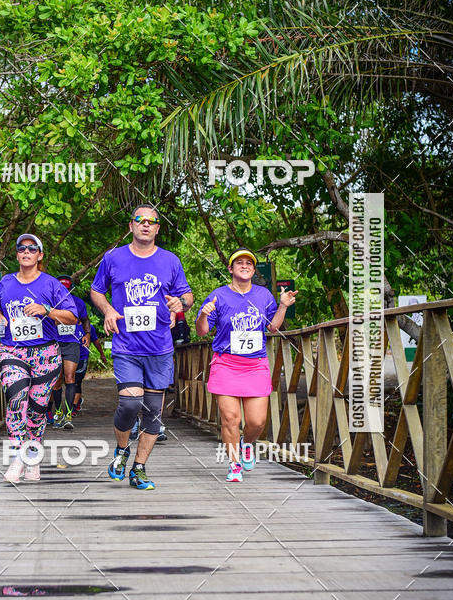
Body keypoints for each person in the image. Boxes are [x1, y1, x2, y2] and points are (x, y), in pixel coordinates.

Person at [90, 204, 193, 490]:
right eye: (140, 220)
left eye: (152, 221)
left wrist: (180, 303)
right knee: (129, 403)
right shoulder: (114, 258)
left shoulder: (170, 261)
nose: (146, 225)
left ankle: (139, 468)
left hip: (160, 348)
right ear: (131, 226)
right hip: (127, 346)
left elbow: (187, 294)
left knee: (153, 413)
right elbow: (96, 290)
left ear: (158, 228)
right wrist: (108, 310)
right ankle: (122, 450)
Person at [196, 248, 298, 483]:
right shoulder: (218, 295)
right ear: (231, 269)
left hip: (255, 364)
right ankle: (234, 465)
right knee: (230, 418)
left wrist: (282, 306)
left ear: (253, 270)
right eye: (239, 262)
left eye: (249, 263)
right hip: (226, 363)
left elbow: (273, 328)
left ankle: (248, 443)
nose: (244, 266)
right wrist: (203, 314)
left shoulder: (263, 295)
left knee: (257, 421)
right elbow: (202, 331)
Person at [0, 234, 78, 482]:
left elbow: (71, 317)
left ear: (39, 255)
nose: (26, 251)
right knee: (16, 399)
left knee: (37, 411)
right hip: (12, 349)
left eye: (32, 248)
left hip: (45, 353)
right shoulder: (6, 282)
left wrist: (47, 310)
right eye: (21, 248)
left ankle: (32, 456)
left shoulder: (51, 285)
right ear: (17, 254)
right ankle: (19, 457)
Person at [48, 275, 91, 430]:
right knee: (57, 380)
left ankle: (68, 415)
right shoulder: (51, 302)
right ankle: (58, 411)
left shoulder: (77, 302)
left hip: (72, 343)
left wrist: (87, 334)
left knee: (70, 377)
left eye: (67, 289)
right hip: (55, 343)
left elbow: (85, 319)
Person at [72, 323, 109, 414]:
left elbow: (96, 341)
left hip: (82, 358)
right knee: (68, 381)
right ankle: (77, 400)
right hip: (69, 358)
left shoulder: (88, 327)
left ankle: (73, 409)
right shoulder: (67, 324)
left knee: (76, 382)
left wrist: (102, 354)